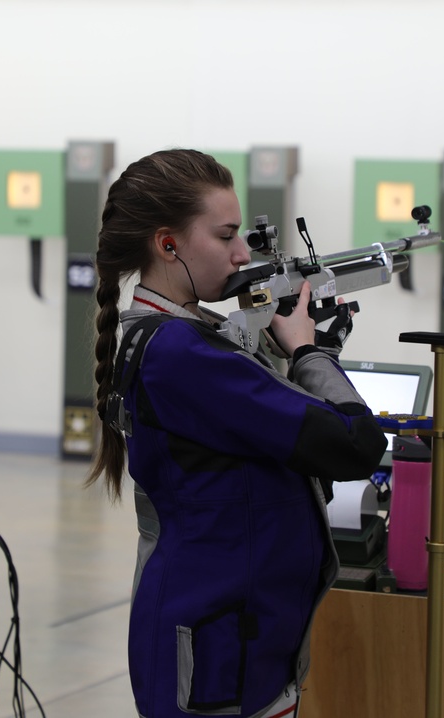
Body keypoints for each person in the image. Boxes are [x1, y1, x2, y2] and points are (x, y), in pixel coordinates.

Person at [87, 149, 387, 718]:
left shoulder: (186, 335)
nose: (243, 252)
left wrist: (295, 353)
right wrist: (306, 351)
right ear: (167, 243)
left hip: (234, 634)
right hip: (219, 650)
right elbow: (354, 444)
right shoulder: (180, 352)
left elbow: (254, 431)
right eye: (225, 236)